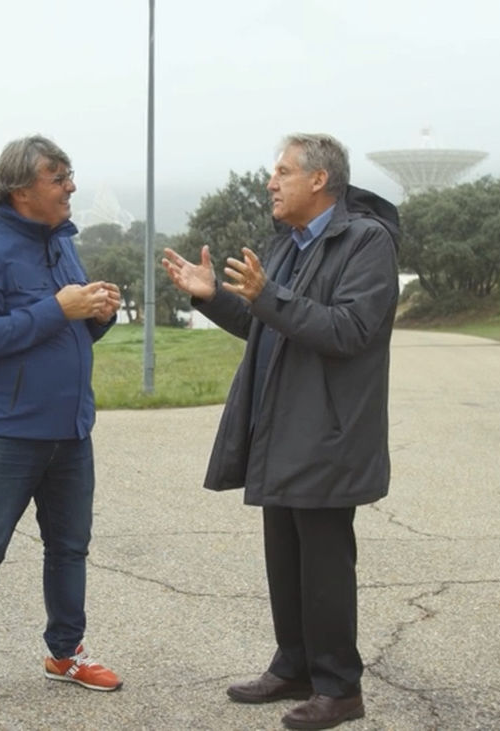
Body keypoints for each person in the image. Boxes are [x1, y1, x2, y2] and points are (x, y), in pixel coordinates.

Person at [161, 133, 400, 730]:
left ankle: (340, 688)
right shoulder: (290, 245)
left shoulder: (366, 242)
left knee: (323, 564)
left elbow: (349, 329)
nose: (271, 182)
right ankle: (294, 665)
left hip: (328, 432)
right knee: (285, 559)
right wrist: (214, 296)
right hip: (282, 426)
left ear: (319, 180)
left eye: (283, 172)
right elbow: (269, 323)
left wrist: (272, 296)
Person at [0, 135, 124, 711]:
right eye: (58, 176)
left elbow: (65, 330)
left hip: (71, 430)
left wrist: (96, 317)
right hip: (4, 433)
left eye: (71, 173)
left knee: (70, 548)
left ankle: (65, 654)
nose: (71, 185)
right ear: (22, 189)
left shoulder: (64, 244)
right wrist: (58, 308)